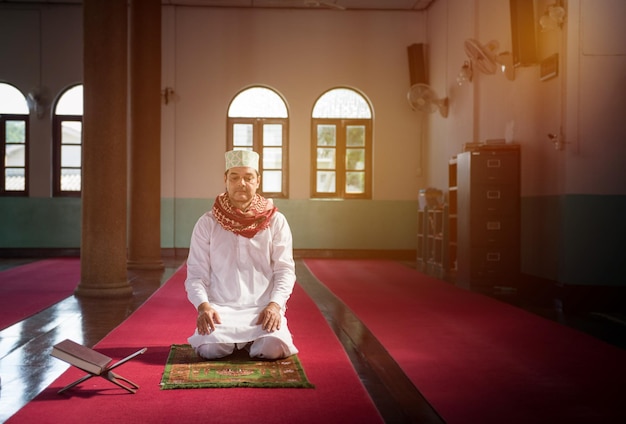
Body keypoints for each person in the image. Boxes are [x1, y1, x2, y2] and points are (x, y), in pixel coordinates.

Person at [185, 149, 299, 360]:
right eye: (235, 177)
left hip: (262, 308)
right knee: (210, 350)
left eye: (248, 177)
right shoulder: (207, 223)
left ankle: (248, 342)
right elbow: (196, 274)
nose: (242, 183)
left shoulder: (275, 221)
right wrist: (204, 306)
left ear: (258, 181)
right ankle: (240, 343)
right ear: (225, 180)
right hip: (221, 309)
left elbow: (285, 270)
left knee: (273, 348)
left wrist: (274, 305)